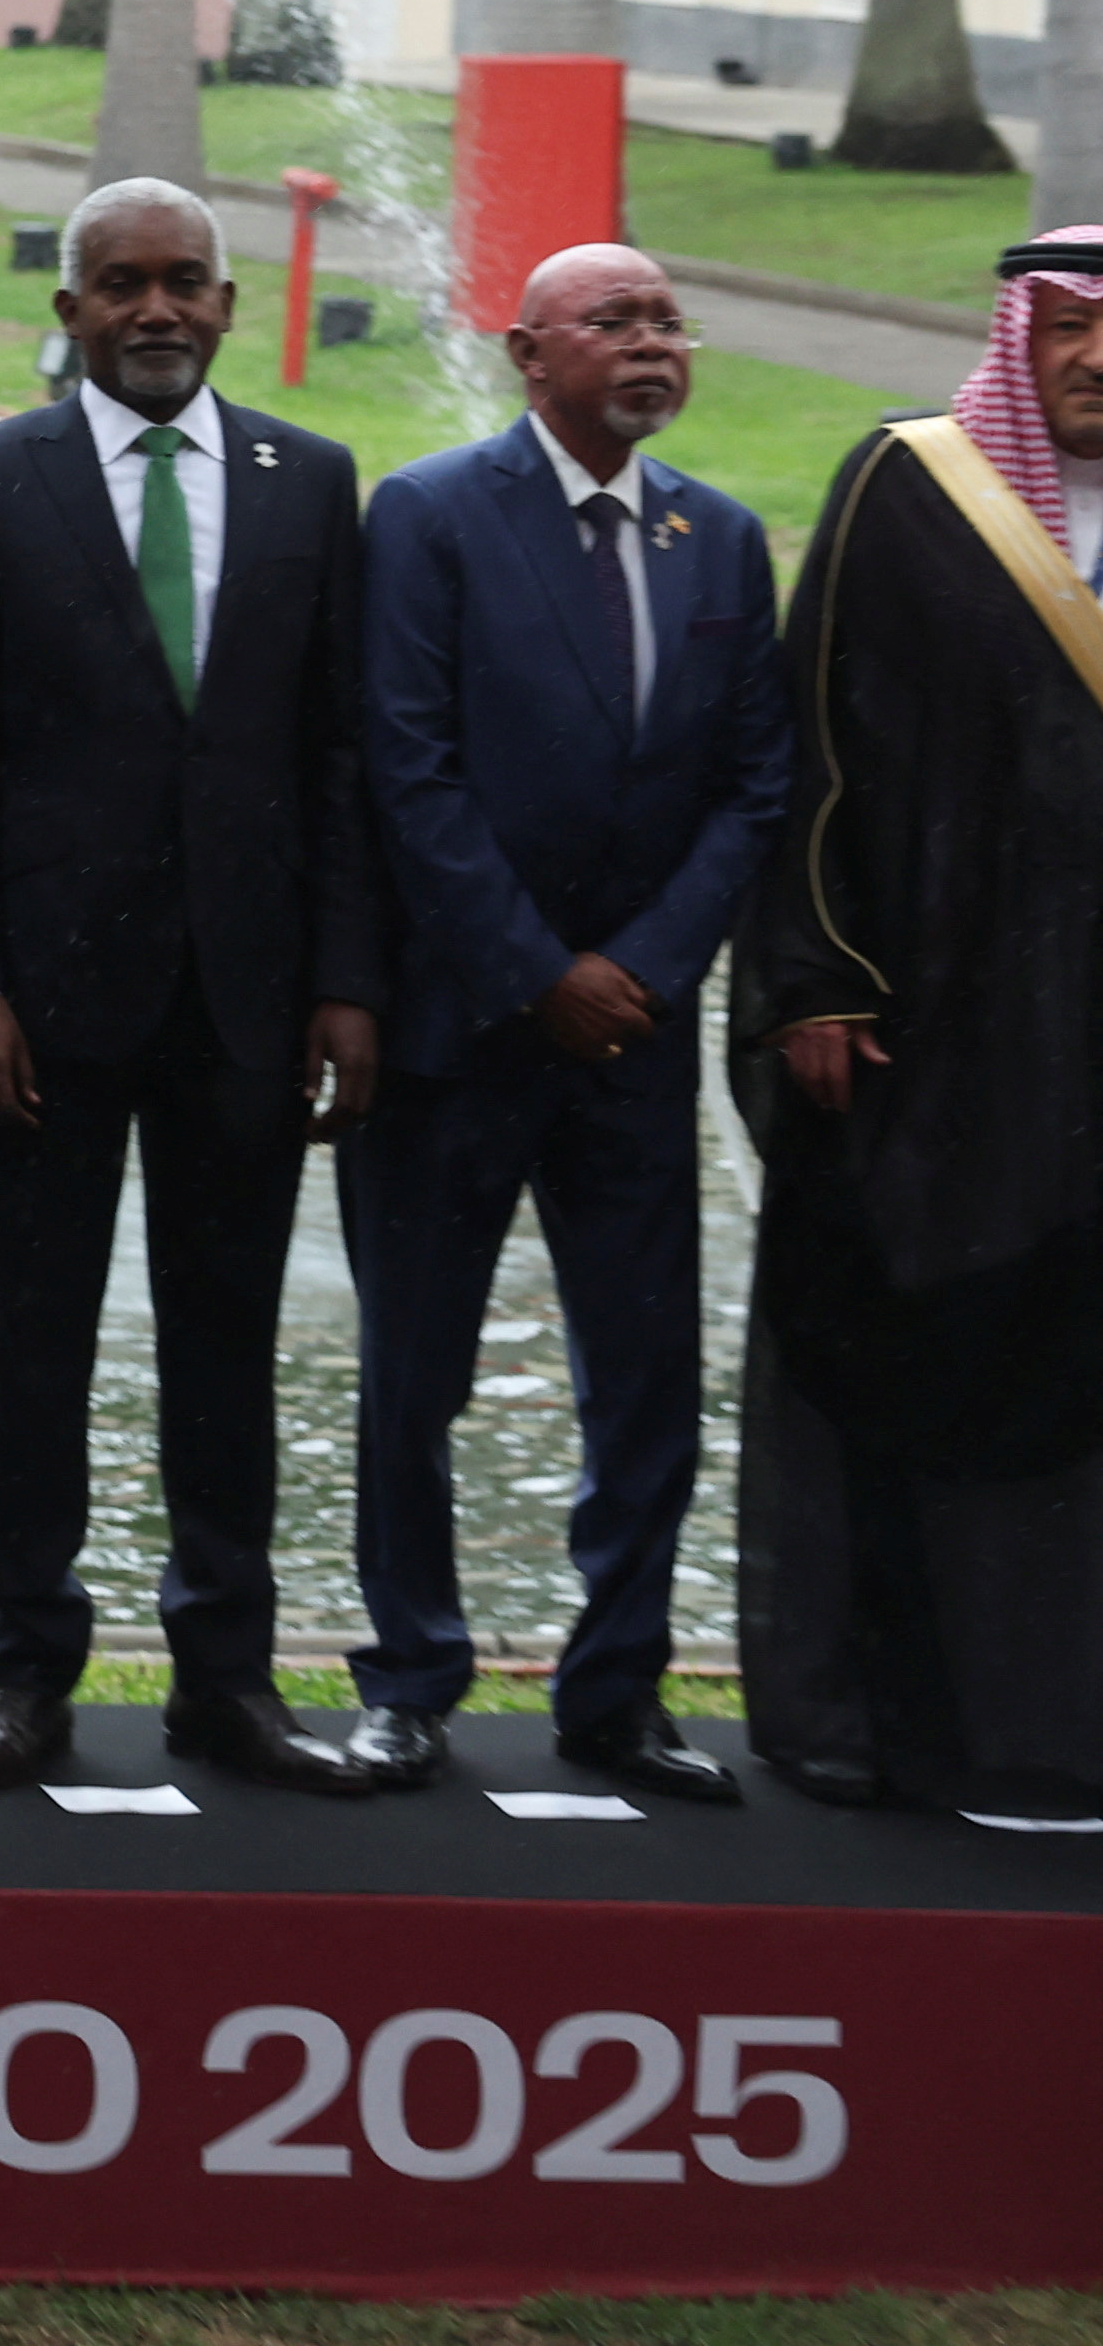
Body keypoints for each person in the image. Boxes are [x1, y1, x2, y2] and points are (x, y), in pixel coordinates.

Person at [0, 175, 384, 1797]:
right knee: (36, 1346)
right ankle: (28, 1670)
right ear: (71, 309)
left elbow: (337, 759)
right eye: (123, 284)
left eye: (187, 281)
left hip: (246, 1002)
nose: (158, 309)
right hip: (42, 1006)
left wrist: (345, 984)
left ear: (229, 305)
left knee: (226, 1350)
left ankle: (226, 1684)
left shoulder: (313, 484)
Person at [342, 245, 783, 1804]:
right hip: (461, 1030)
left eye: (668, 319)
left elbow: (753, 791)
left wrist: (643, 970)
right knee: (415, 1370)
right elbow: (408, 771)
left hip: (634, 1044)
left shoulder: (720, 542)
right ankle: (408, 1680)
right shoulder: (432, 515)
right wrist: (541, 970)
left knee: (647, 1372)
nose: (652, 345)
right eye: (616, 323)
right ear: (532, 356)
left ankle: (617, 1694)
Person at [728, 233, 1103, 1816]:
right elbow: (812, 742)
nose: (1094, 360)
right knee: (911, 1336)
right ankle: (870, 1716)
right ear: (1024, 337)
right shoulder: (916, 488)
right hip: (940, 1039)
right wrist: (817, 976)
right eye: (1071, 331)